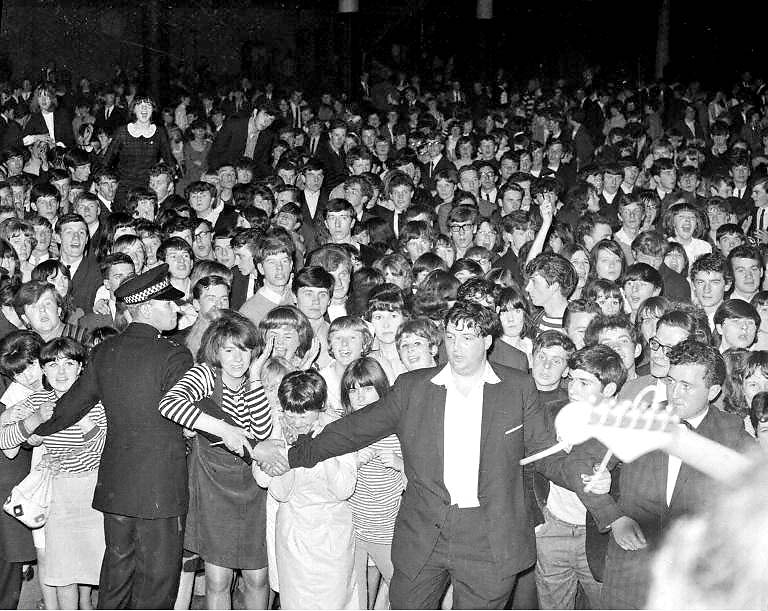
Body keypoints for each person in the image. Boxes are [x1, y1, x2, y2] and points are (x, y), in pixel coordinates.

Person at [277, 301, 612, 609]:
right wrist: (292, 455)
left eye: (467, 337)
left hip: (489, 536)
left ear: (487, 341)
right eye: (451, 336)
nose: (457, 346)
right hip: (424, 532)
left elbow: (544, 453)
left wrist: (586, 481)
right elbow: (353, 430)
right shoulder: (413, 387)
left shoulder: (517, 388)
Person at [14, 264, 269, 609]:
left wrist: (32, 430)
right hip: (160, 489)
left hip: (116, 486)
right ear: (147, 308)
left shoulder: (105, 351)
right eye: (169, 303)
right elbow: (203, 410)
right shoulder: (172, 354)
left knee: (116, 574)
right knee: (157, 579)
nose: (176, 309)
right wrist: (246, 439)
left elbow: (69, 407)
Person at [597, 340, 754, 609]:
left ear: (713, 391)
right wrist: (612, 516)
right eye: (671, 381)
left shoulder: (730, 432)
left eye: (687, 386)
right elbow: (583, 463)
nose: (675, 393)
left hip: (691, 582)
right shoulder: (639, 418)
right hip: (630, 573)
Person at [159, 312, 275, 609]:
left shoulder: (254, 377)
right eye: (229, 350)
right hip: (213, 486)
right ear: (216, 351)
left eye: (245, 349)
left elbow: (261, 433)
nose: (238, 358)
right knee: (217, 580)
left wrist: (255, 380)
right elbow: (169, 404)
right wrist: (223, 428)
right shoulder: (205, 374)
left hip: (255, 488)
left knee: (258, 578)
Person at [2, 338, 106, 610]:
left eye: (69, 364)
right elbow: (6, 440)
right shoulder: (38, 399)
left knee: (103, 568)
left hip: (96, 492)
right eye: (52, 364)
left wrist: (78, 416)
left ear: (81, 367)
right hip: (59, 496)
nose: (61, 372)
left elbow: (103, 448)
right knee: (63, 573)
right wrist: (35, 419)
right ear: (44, 370)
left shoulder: (97, 399)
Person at [259, 369, 359, 610]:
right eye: (291, 413)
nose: (297, 420)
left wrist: (321, 447)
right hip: (294, 535)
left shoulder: (340, 430)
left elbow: (344, 489)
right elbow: (280, 493)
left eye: (305, 413)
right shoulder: (279, 433)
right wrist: (289, 452)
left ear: (321, 404)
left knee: (335, 602)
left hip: (332, 534)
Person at [535, 344, 626, 610]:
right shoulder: (551, 412)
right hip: (553, 526)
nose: (572, 389)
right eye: (572, 378)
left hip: (599, 538)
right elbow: (535, 464)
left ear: (608, 390)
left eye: (584, 383)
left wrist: (612, 481)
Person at [341, 357, 405, 610]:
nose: (359, 396)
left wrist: (400, 463)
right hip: (352, 530)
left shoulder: (397, 430)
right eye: (352, 389)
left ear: (381, 390)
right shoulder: (344, 429)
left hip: (386, 532)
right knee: (354, 597)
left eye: (367, 388)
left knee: (404, 592)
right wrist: (350, 461)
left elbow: (424, 475)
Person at [102, 96, 176, 210]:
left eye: (148, 105)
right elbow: (106, 162)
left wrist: (170, 185)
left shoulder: (159, 132)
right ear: (134, 109)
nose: (144, 108)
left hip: (149, 188)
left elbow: (169, 162)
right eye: (140, 105)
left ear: (153, 109)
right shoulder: (122, 132)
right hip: (125, 188)